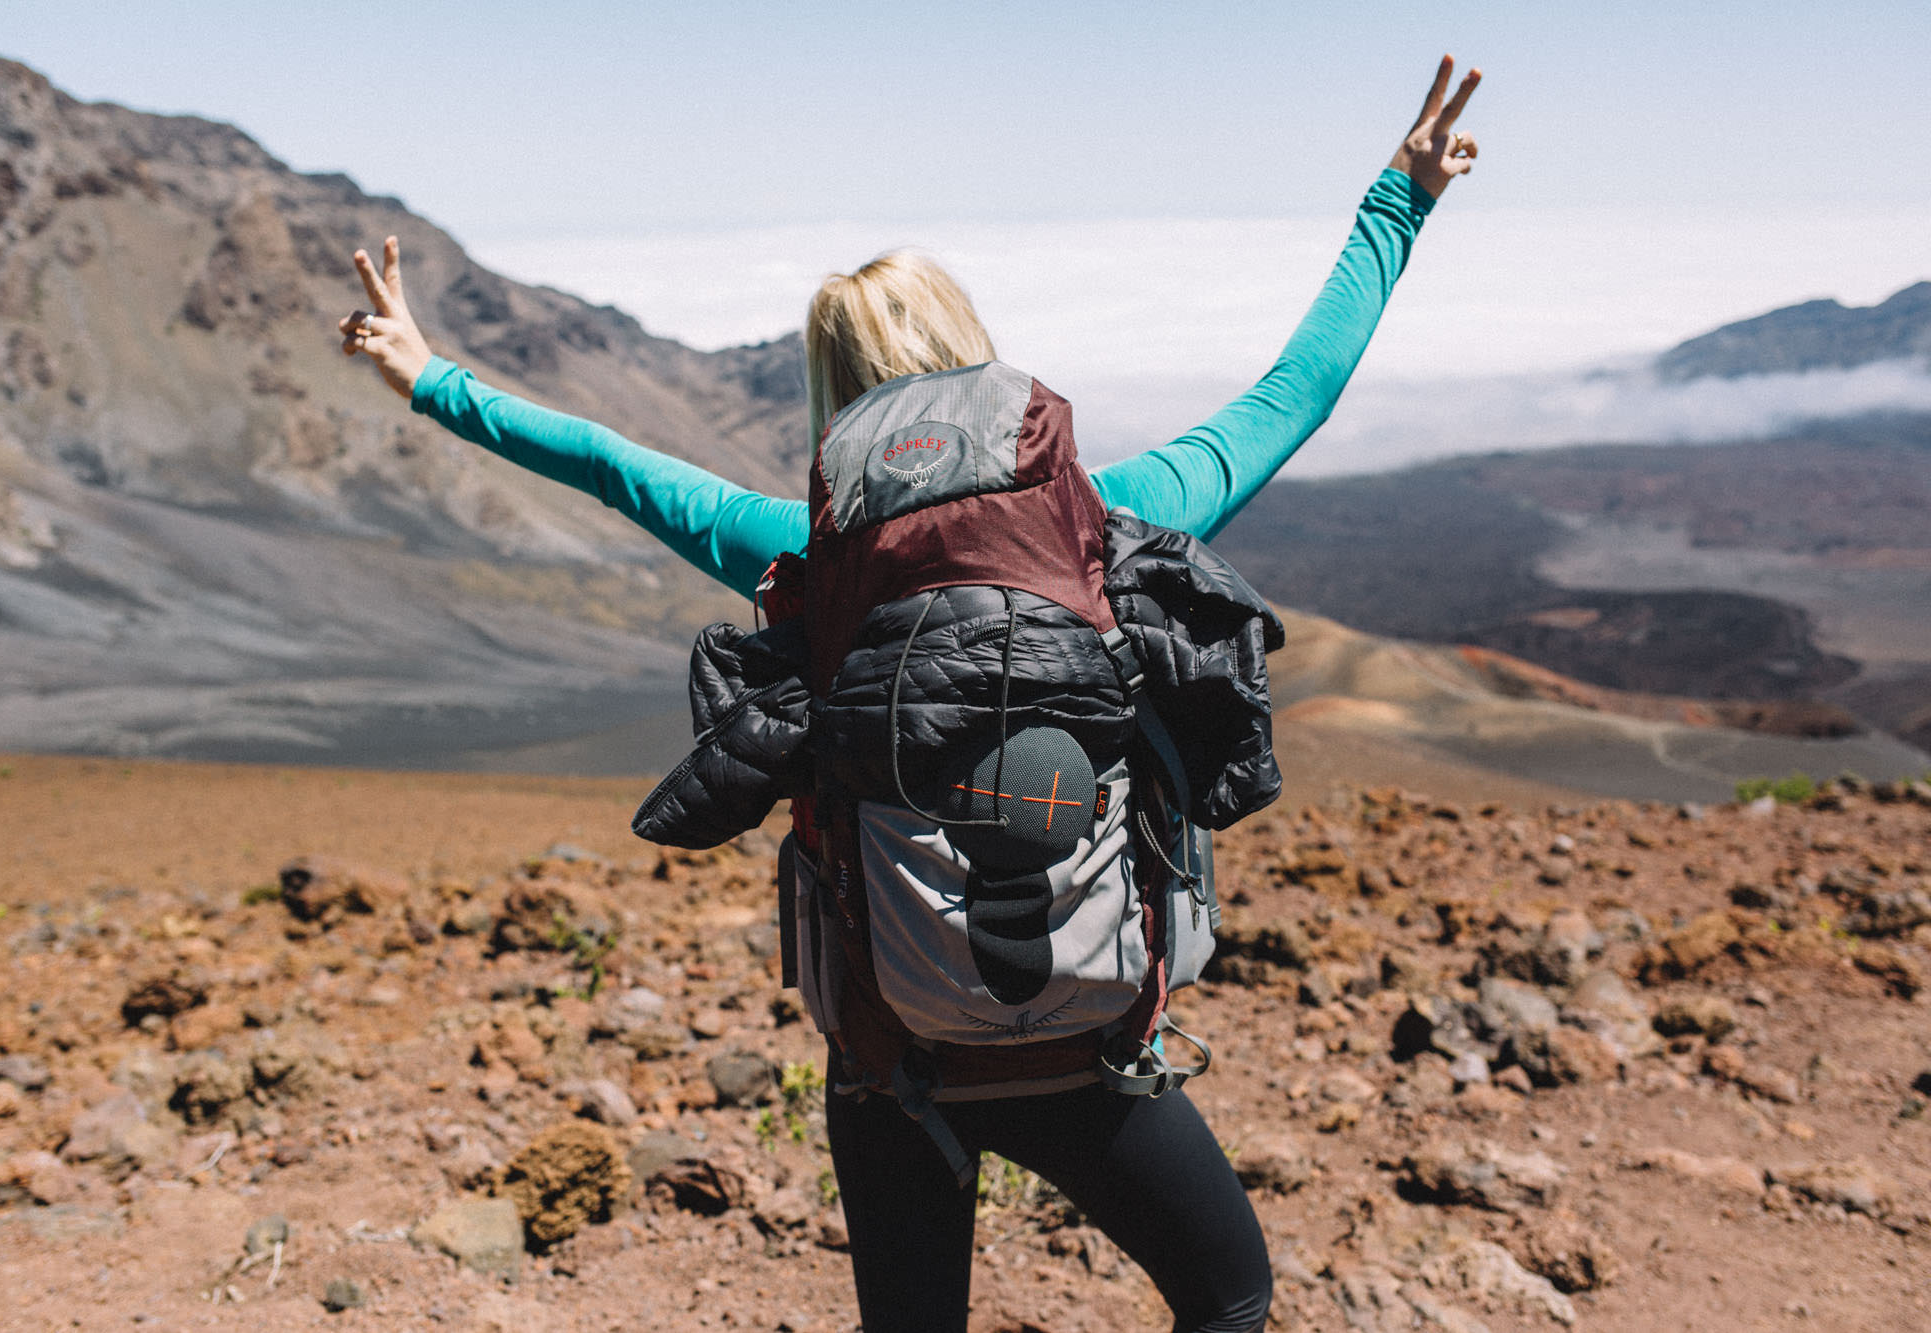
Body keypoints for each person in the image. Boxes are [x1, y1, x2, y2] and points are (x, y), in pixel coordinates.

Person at [340, 56, 1481, 1333]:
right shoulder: (1107, 524)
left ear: (834, 389)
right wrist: (1401, 198)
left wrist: (429, 374)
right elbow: (1292, 394)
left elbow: (616, 466)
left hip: (891, 1054)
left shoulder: (801, 552)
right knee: (1226, 1299)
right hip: (1091, 1039)